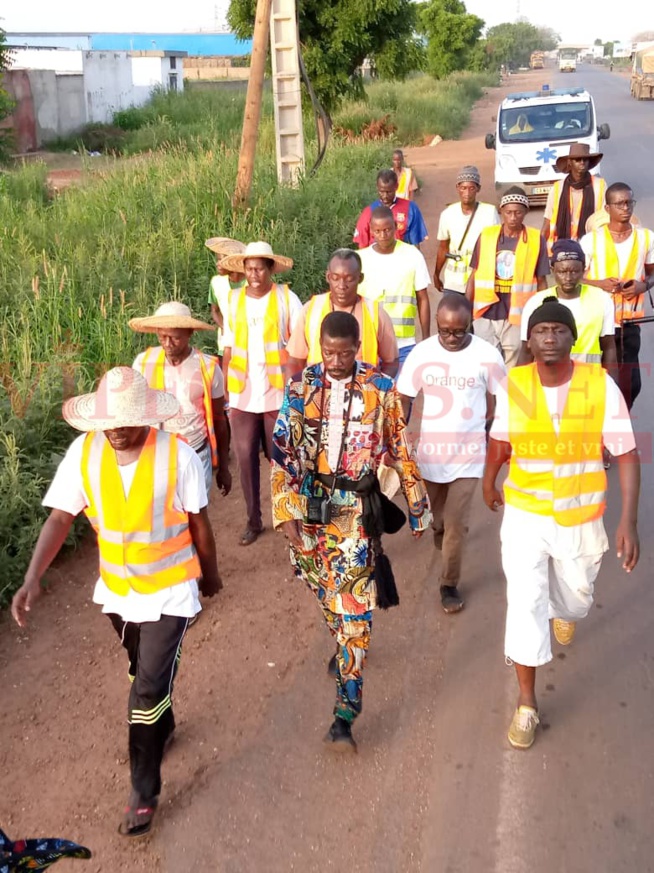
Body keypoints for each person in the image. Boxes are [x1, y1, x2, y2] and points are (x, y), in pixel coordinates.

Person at [11, 367, 222, 836]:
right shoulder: (83, 455)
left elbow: (199, 524)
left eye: (129, 419)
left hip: (170, 592)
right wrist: (32, 578)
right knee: (142, 672)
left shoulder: (177, 456)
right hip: (118, 594)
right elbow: (61, 518)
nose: (119, 429)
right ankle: (162, 726)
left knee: (144, 692)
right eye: (112, 420)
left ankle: (143, 792)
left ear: (148, 418)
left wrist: (210, 577)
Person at [483, 298, 640, 750]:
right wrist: (489, 482)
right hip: (525, 517)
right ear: (529, 340)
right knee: (524, 603)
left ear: (573, 338)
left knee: (575, 601)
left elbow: (626, 455)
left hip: (580, 520)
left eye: (558, 330)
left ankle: (562, 610)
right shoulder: (515, 385)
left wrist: (627, 520)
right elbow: (500, 442)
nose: (549, 337)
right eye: (541, 330)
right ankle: (527, 704)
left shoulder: (600, 386)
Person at [271, 311, 431, 752]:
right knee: (328, 599)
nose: (336, 360)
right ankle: (342, 641)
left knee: (354, 615)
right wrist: (287, 518)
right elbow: (282, 455)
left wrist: (417, 507)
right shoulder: (301, 388)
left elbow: (401, 449)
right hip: (309, 513)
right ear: (319, 347)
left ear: (358, 348)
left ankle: (345, 711)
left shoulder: (380, 390)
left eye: (344, 352)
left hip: (356, 516)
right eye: (328, 352)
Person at [398, 295, 505, 614]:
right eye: (444, 331)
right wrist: (397, 437)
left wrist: (497, 431)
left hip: (469, 457)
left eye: (458, 331)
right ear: (436, 326)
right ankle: (438, 531)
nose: (451, 338)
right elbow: (404, 396)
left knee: (457, 527)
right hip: (430, 456)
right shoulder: (423, 353)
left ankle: (448, 583)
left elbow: (504, 399)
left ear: (470, 324)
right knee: (437, 521)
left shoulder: (487, 355)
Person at [219, 241, 303, 546]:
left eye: (259, 268)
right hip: (242, 392)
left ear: (270, 269)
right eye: (249, 268)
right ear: (243, 270)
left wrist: (296, 392)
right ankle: (253, 520)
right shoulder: (233, 300)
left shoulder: (286, 298)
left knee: (281, 459)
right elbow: (228, 348)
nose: (254, 273)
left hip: (276, 391)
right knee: (244, 459)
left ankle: (288, 515)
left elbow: (298, 348)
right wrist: (227, 393)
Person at [130, 301, 231, 498]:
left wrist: (224, 467)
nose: (168, 344)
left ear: (189, 333)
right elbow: (132, 412)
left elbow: (220, 420)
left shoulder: (208, 367)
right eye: (162, 337)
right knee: (163, 519)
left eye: (175, 338)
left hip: (196, 454)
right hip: (155, 455)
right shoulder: (143, 363)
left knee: (195, 518)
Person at [580, 183, 654, 409]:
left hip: (630, 322)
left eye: (629, 202)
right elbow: (575, 278)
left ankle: (622, 423)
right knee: (599, 375)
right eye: (620, 203)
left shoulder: (646, 238)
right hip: (598, 321)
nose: (626, 208)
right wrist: (599, 284)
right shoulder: (590, 241)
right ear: (607, 208)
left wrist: (644, 286)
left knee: (631, 382)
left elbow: (652, 273)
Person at [466, 187, 549, 368]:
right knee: (486, 363)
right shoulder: (487, 236)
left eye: (518, 213)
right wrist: (466, 307)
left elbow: (541, 280)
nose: (513, 217)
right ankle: (490, 396)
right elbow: (474, 274)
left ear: (526, 212)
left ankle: (507, 396)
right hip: (485, 310)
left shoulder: (536, 239)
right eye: (509, 212)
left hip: (517, 313)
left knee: (514, 363)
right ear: (501, 211)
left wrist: (543, 312)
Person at [285, 247, 398, 376]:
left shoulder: (375, 313)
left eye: (349, 279)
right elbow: (295, 361)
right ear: (328, 277)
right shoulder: (311, 310)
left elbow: (391, 362)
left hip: (362, 394)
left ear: (360, 278)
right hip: (318, 393)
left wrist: (377, 390)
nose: (342, 285)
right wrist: (293, 393)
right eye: (335, 278)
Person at [519, 239, 617, 368]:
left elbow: (609, 347)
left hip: (588, 378)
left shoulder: (601, 299)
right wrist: (516, 384)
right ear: (553, 270)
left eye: (574, 271)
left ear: (583, 269)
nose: (568, 278)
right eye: (562, 272)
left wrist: (612, 383)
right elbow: (526, 351)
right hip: (549, 380)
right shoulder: (536, 302)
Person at [358, 206, 431, 370]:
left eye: (387, 230)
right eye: (378, 231)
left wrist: (426, 337)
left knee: (400, 394)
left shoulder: (412, 255)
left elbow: (423, 298)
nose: (383, 235)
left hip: (403, 343)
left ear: (395, 227)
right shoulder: (360, 259)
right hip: (370, 341)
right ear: (371, 230)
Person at [434, 166, 500, 296]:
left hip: (480, 281)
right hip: (453, 282)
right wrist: (436, 274)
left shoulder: (489, 213)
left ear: (478, 189)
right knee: (450, 315)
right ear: (457, 188)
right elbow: (443, 248)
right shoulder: (447, 214)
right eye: (463, 188)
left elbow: (497, 246)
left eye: (471, 188)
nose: (467, 193)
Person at [541, 143, 607, 255]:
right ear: (569, 163)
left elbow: (604, 221)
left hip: (590, 248)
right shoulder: (558, 188)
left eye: (585, 160)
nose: (582, 162)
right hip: (560, 248)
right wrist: (540, 248)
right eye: (577, 159)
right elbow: (547, 223)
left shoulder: (599, 185)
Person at [353, 169, 428, 249]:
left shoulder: (411, 209)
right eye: (382, 191)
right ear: (377, 187)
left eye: (389, 192)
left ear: (396, 186)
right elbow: (362, 246)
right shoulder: (368, 212)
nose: (385, 196)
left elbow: (415, 244)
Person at [205, 236, 246, 360]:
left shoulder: (252, 283)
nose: (217, 264)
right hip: (225, 346)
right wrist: (224, 327)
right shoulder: (217, 283)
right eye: (217, 260)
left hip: (248, 345)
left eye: (221, 260)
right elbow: (215, 310)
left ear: (232, 261)